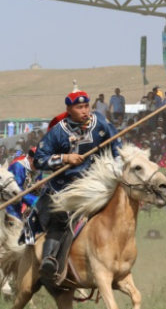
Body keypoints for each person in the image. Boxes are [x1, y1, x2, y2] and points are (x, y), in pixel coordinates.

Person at [33, 87, 120, 284]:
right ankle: (50, 259)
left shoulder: (100, 122)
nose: (85, 110)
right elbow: (39, 160)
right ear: (69, 109)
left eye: (86, 105)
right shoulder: (57, 132)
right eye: (79, 107)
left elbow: (117, 146)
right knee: (61, 217)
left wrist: (119, 167)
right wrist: (65, 158)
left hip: (96, 185)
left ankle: (118, 256)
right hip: (67, 188)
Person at [6, 147, 38, 220]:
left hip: (20, 202)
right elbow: (18, 191)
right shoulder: (18, 167)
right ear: (30, 158)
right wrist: (36, 202)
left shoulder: (31, 169)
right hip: (10, 205)